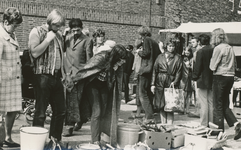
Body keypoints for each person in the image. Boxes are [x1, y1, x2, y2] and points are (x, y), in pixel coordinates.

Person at [71, 44, 127, 147]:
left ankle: (97, 133)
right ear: (116, 56)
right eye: (122, 59)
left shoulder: (117, 65)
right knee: (97, 111)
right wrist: (75, 79)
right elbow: (88, 68)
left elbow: (117, 81)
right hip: (92, 85)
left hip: (104, 86)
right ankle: (95, 140)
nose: (123, 61)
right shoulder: (102, 57)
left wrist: (114, 70)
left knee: (104, 110)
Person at [28, 9, 66, 143]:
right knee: (40, 113)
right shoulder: (37, 31)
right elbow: (34, 53)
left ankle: (55, 141)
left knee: (60, 111)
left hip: (56, 77)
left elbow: (62, 56)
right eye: (56, 25)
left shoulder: (59, 35)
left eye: (60, 25)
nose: (58, 28)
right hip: (42, 76)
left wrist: (64, 73)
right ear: (49, 21)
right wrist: (47, 40)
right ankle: (37, 142)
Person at [63, 18, 93, 136]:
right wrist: (64, 34)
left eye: (78, 30)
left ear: (82, 28)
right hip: (67, 74)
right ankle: (78, 121)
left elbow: (89, 60)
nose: (76, 33)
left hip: (80, 75)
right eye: (73, 30)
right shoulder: (67, 38)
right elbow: (61, 49)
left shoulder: (87, 40)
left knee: (74, 101)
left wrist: (85, 75)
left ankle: (69, 126)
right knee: (70, 100)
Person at [210, 28, 241, 140]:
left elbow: (212, 66)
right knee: (225, 105)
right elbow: (235, 64)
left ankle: (218, 132)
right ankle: (237, 125)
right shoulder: (230, 48)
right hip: (230, 77)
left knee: (217, 106)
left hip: (220, 76)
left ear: (215, 37)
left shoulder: (218, 48)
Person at [0, 7, 23, 148]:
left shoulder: (12, 34)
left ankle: (8, 138)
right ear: (5, 21)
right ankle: (1, 139)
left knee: (13, 109)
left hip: (13, 80)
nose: (16, 28)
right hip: (3, 80)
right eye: (14, 25)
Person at [151, 40, 182, 124]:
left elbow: (179, 71)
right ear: (166, 47)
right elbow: (154, 70)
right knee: (161, 105)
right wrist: (152, 84)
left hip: (171, 81)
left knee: (170, 105)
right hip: (160, 81)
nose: (171, 48)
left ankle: (169, 125)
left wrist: (175, 81)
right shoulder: (160, 57)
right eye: (169, 46)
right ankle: (163, 123)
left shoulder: (177, 57)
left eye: (172, 46)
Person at [192, 34, 213, 127]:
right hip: (212, 79)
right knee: (211, 102)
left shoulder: (200, 52)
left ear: (200, 42)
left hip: (202, 79)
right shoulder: (214, 49)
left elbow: (198, 67)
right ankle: (211, 123)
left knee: (203, 102)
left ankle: (204, 123)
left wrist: (194, 78)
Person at [180, 47, 193, 114]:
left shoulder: (191, 59)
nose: (187, 53)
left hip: (188, 78)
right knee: (185, 94)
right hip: (184, 78)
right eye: (186, 52)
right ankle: (184, 109)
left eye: (188, 52)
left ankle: (186, 109)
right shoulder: (182, 58)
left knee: (187, 94)